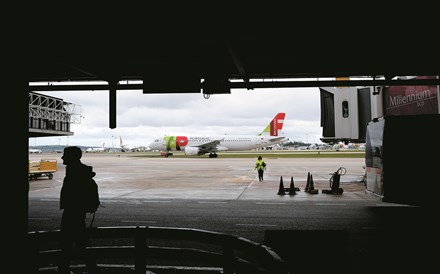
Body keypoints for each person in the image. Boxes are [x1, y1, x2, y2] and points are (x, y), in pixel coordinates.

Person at [57, 146, 98, 274]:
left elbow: (73, 195)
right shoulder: (78, 172)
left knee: (68, 242)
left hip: (72, 212)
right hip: (78, 212)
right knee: (81, 241)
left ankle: (65, 268)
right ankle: (91, 267)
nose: (62, 157)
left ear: (72, 157)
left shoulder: (75, 173)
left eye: (65, 155)